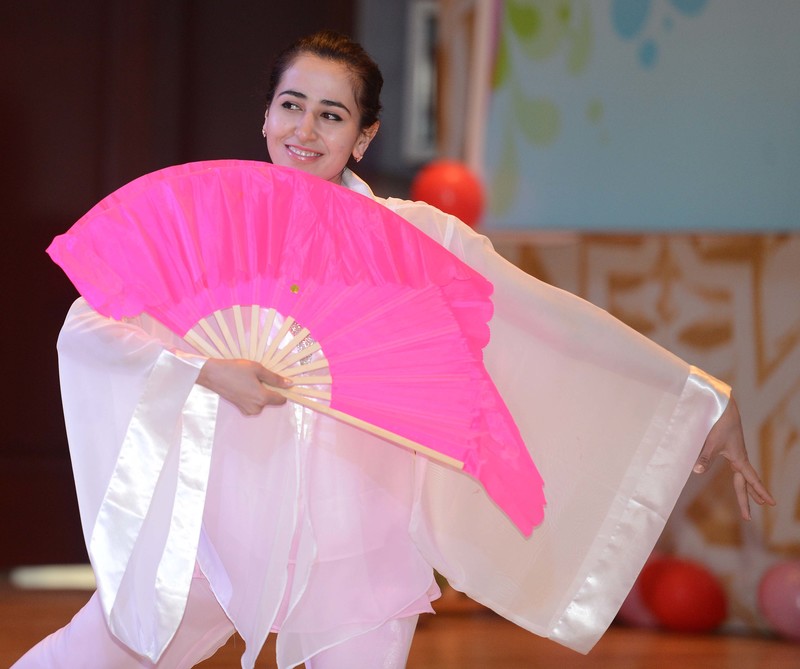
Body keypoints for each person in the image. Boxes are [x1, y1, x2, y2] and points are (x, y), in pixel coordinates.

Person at [13, 30, 774, 669]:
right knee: (92, 654)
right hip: (219, 530)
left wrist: (702, 402)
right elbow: (92, 328)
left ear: (364, 136)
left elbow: (548, 323)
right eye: (291, 105)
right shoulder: (209, 227)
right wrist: (208, 370)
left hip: (361, 548)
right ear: (266, 114)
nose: (305, 130)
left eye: (332, 115)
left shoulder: (418, 240)